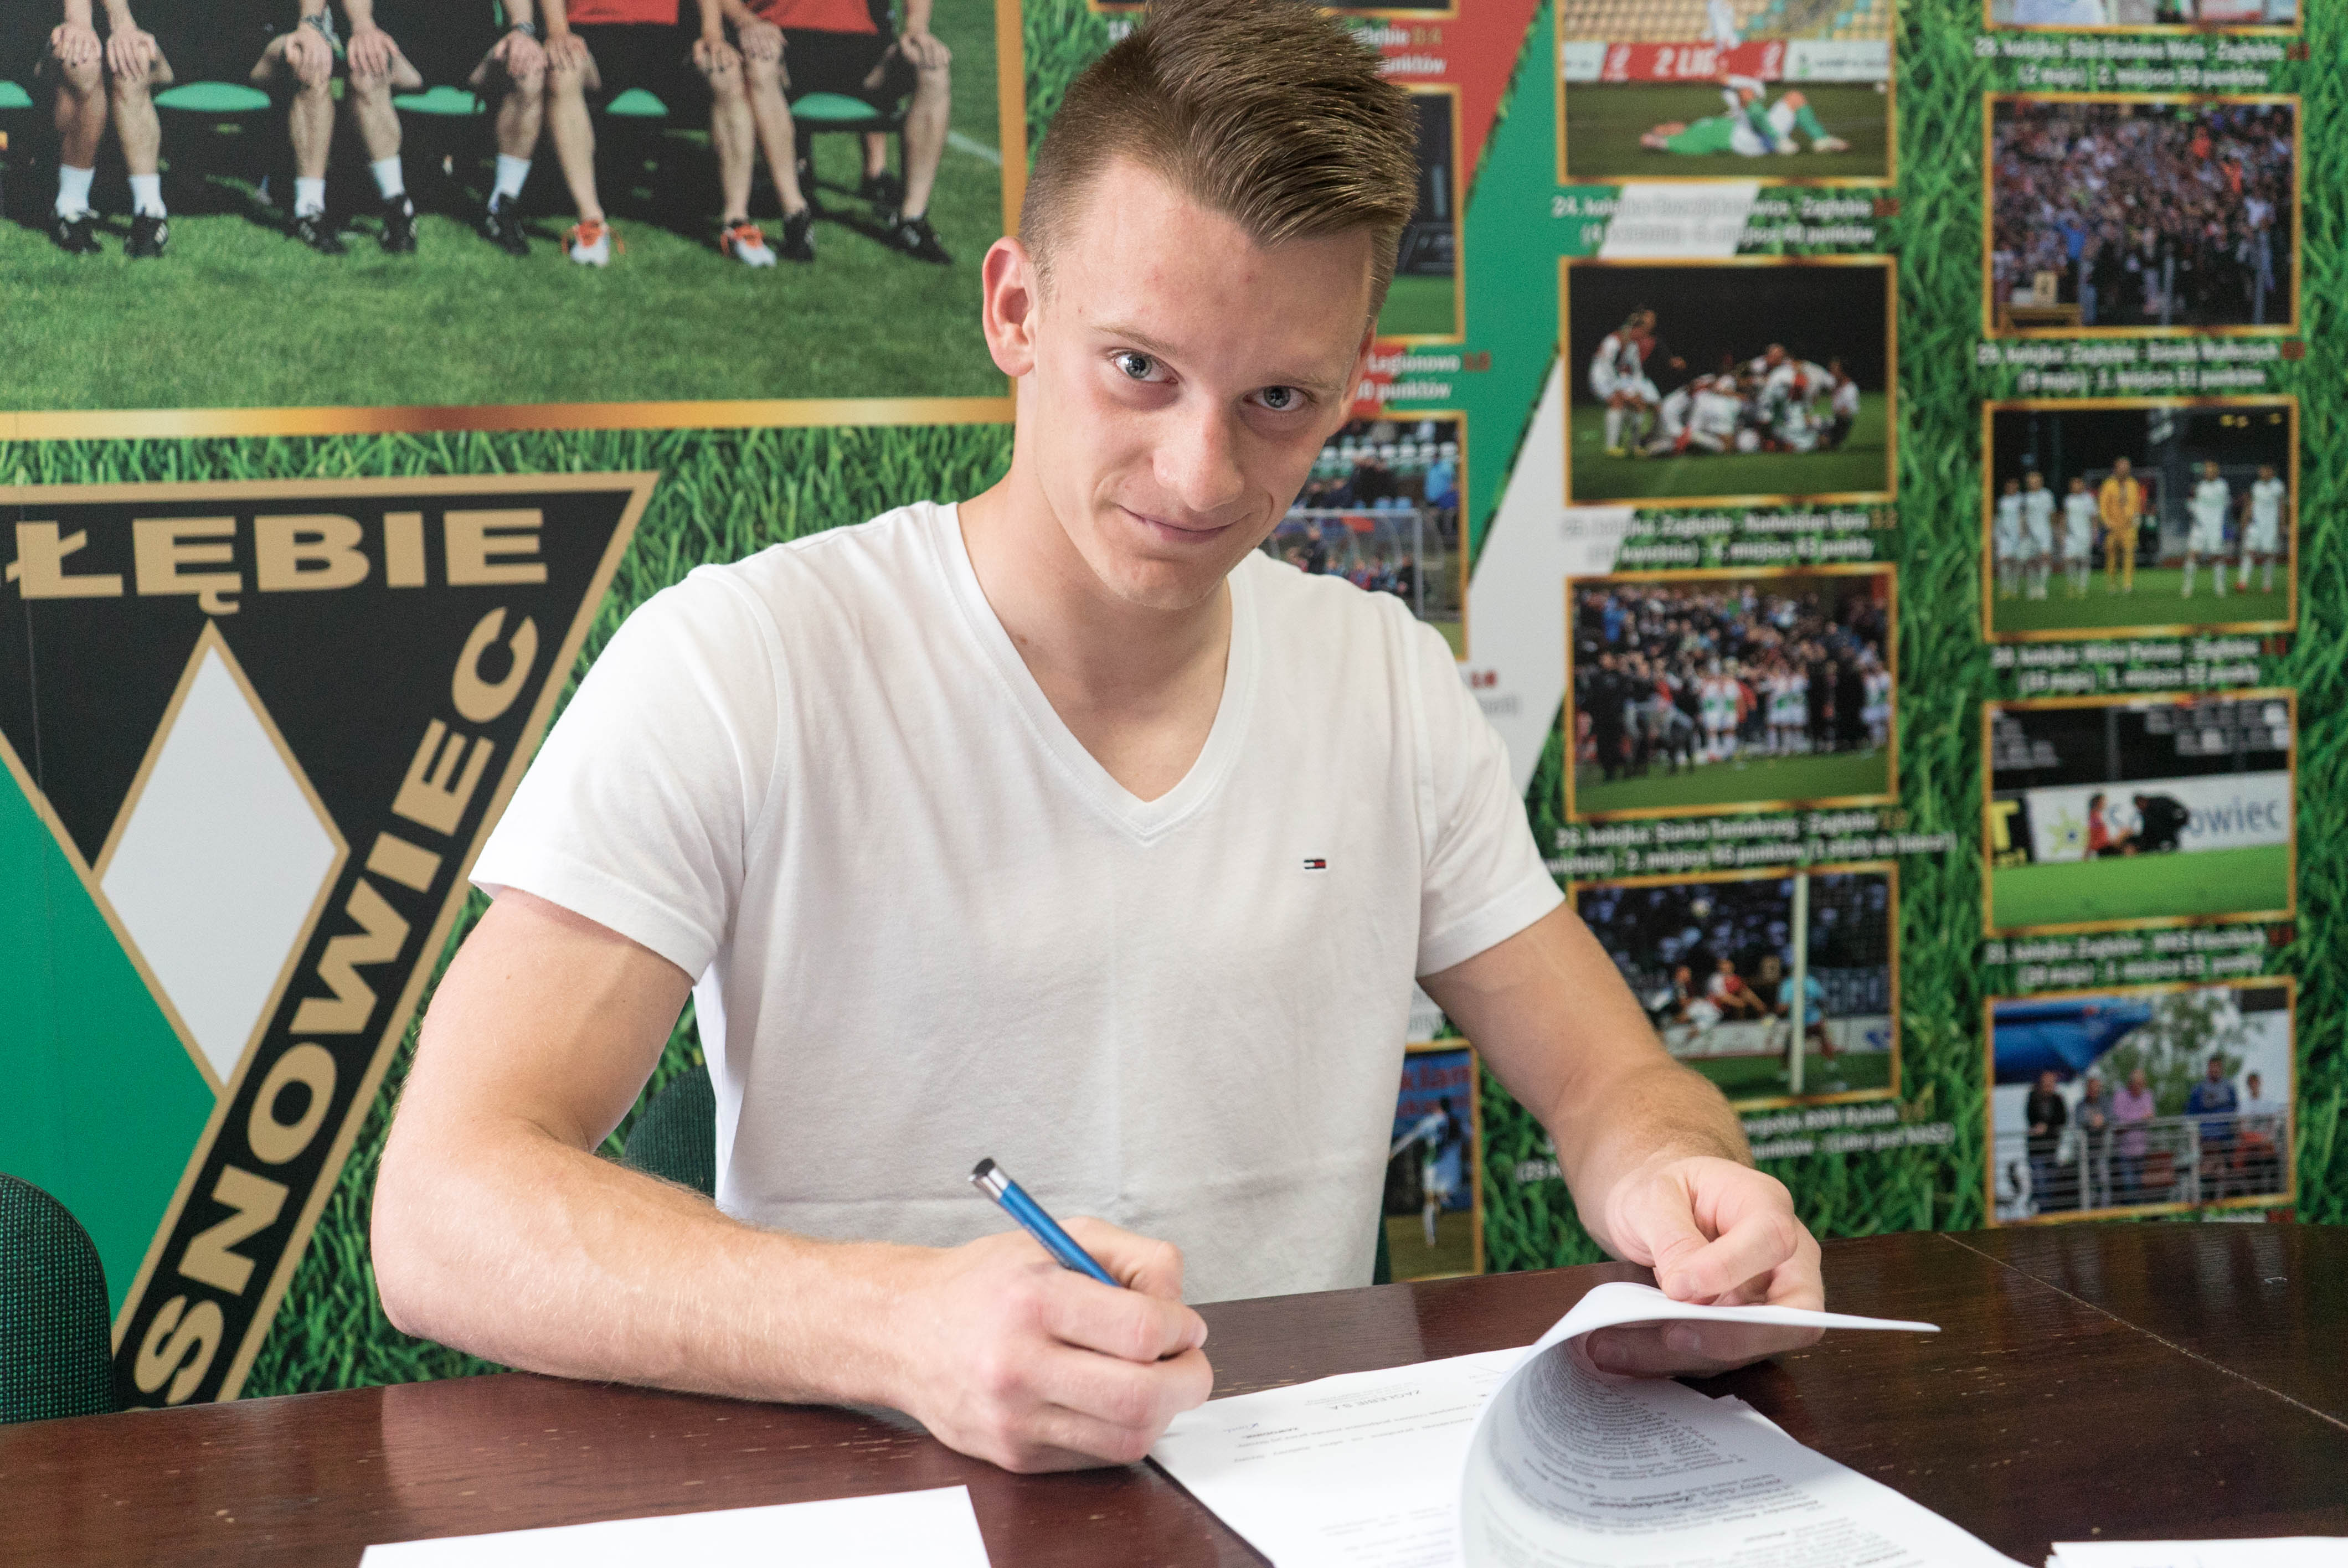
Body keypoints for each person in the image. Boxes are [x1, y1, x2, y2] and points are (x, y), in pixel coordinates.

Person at [370, 0, 1827, 1476]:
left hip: (1292, 1503)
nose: (1200, 473)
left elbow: (1608, 1084)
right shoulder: (743, 661)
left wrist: (1677, 1175)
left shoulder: (1385, 681)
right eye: (1138, 368)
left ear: (1351, 382)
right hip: (871, 1509)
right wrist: (898, 1329)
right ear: (1014, 311)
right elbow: (442, 1208)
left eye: (1277, 399)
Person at [542, 0, 812, 267]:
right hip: (594, 32)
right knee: (563, 70)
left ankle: (736, 222)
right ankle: (590, 220)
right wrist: (557, 31)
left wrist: (712, 33)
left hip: (667, 37)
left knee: (726, 72)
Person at [743, 0, 951, 264]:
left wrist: (916, 28)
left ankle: (912, 218)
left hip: (862, 48)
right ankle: (795, 213)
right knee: (760, 64)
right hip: (784, 41)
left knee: (933, 66)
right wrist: (745, 21)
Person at [2186, 1055, 2238, 1199]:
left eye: (2218, 1067)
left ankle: (2217, 1198)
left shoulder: (2229, 1088)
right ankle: (2210, 1197)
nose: (2215, 1070)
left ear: (2221, 1069)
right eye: (2212, 1067)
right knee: (2213, 1168)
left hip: (2225, 1139)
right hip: (2206, 1139)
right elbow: (2190, 1114)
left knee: (2218, 1169)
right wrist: (2196, 1133)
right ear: (2208, 1069)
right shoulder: (2199, 1090)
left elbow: (2235, 1111)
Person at [2024, 1069, 2069, 1215]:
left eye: (2052, 1082)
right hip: (2036, 1151)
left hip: (2052, 1150)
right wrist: (2040, 1127)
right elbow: (2031, 1118)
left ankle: (2048, 1213)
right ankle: (2043, 1214)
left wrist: (2047, 1127)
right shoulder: (2033, 1097)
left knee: (2051, 1185)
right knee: (2040, 1185)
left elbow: (2063, 1119)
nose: (2049, 1085)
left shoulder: (2058, 1100)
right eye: (2046, 1082)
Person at [2236, 462, 2285, 596]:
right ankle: (2243, 582)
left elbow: (2281, 507)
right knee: (2249, 551)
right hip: (2256, 525)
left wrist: (2282, 525)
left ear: (2271, 472)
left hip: (2271, 526)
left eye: (2265, 470)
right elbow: (2250, 505)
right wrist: (2244, 521)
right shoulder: (2256, 486)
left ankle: (2267, 585)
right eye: (2261, 471)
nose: (2262, 473)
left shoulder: (2278, 486)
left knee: (2268, 555)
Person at [2183, 460, 2229, 600]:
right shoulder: (2200, 486)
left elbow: (2225, 504)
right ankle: (2188, 586)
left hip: (2216, 527)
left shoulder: (2222, 486)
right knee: (2193, 554)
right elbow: (2190, 504)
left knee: (2217, 556)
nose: (2209, 473)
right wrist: (2192, 502)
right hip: (2200, 526)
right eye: (2207, 471)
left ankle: (2220, 587)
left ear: (2217, 472)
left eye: (2211, 470)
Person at [2099, 457, 2145, 596]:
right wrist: (2106, 521)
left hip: (2129, 526)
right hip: (2113, 526)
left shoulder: (2133, 484)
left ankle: (2128, 584)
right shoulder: (2109, 484)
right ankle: (2112, 583)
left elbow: (2137, 503)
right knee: (2112, 555)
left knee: (2129, 554)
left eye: (2127, 468)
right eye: (2122, 468)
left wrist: (2137, 518)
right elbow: (2103, 505)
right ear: (2116, 469)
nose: (2125, 470)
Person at [2110, 1065, 2155, 1203]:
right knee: (2129, 1186)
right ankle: (2132, 1213)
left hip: (2142, 1150)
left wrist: (2132, 1120)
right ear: (2131, 1083)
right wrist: (2140, 1118)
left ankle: (2138, 1212)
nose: (2140, 1087)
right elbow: (2119, 1122)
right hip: (2125, 1151)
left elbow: (2150, 1116)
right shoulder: (2120, 1096)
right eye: (2137, 1084)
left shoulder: (2148, 1095)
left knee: (2140, 1186)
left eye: (2142, 1084)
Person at [2074, 1073, 2111, 1209]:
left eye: (2097, 1088)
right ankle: (2089, 1210)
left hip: (2101, 1149)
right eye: (2093, 1088)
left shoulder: (2105, 1102)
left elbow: (2112, 1117)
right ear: (2088, 1089)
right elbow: (2079, 1121)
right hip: (2085, 1152)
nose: (2095, 1091)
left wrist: (2102, 1121)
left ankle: (2105, 1210)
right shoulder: (2081, 1105)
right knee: (2087, 1183)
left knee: (2104, 1181)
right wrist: (2092, 1121)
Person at [2059, 474, 2097, 598]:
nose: (2077, 486)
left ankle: (2083, 587)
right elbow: (2064, 518)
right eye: (2074, 484)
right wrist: (2062, 534)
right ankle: (2071, 585)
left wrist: (2095, 533)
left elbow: (2094, 518)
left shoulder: (2089, 499)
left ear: (2083, 485)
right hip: (2071, 536)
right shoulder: (2068, 500)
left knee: (2084, 561)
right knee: (2070, 560)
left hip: (2085, 535)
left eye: (2079, 483)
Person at [2020, 470, 2055, 601]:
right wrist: (2023, 532)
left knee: (2045, 559)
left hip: (2045, 532)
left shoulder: (2047, 495)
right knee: (2032, 562)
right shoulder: (2025, 498)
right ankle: (2032, 587)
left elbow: (2052, 514)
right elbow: (2023, 517)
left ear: (2041, 482)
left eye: (2036, 481)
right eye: (2031, 482)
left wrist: (2051, 530)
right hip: (2030, 534)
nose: (2034, 484)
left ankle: (2042, 587)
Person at [1993, 477, 2025, 600]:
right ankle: (2005, 588)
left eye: (2014, 485)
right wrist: (1996, 534)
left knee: (2015, 562)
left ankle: (2014, 588)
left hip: (2018, 535)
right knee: (2004, 561)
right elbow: (1998, 518)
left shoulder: (2021, 500)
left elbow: (2024, 516)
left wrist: (2023, 532)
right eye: (2010, 485)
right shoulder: (2002, 501)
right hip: (2004, 536)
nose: (2012, 487)